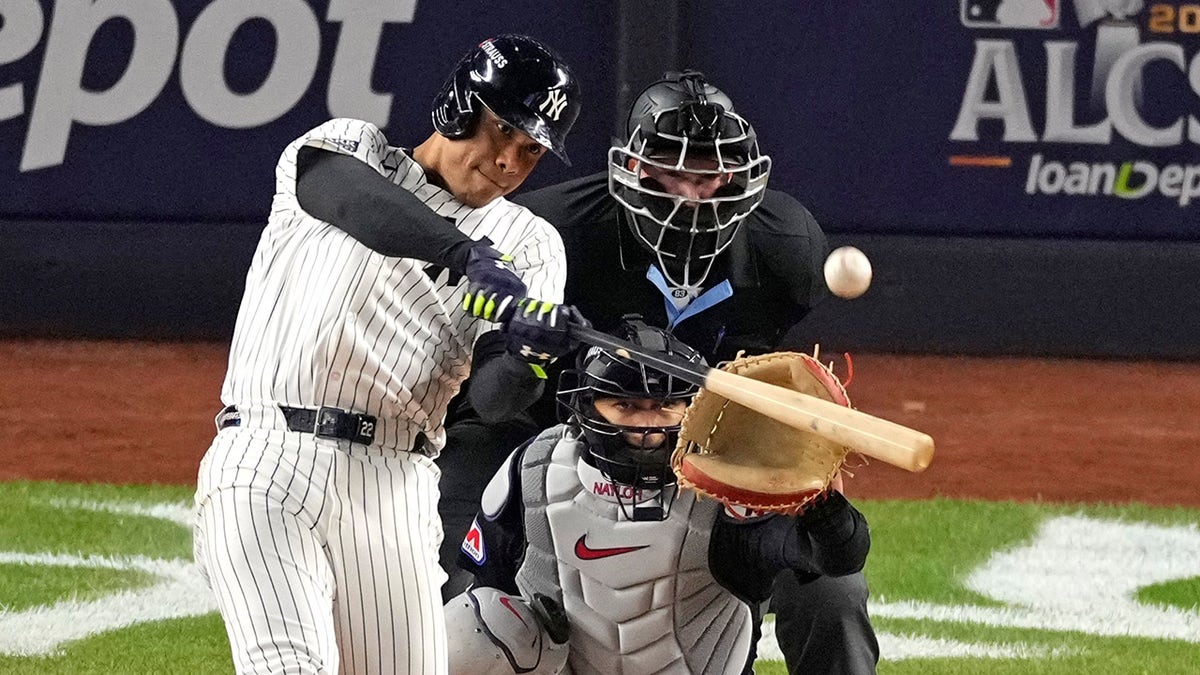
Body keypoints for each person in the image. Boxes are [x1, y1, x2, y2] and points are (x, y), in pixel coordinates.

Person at [436, 71, 879, 673]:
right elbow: (489, 397)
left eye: (709, 176)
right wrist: (528, 350)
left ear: (743, 178)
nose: (691, 197)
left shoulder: (785, 249)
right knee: (460, 599)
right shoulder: (550, 235)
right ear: (633, 169)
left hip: (695, 445)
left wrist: (790, 469)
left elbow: (753, 391)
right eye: (673, 172)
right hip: (534, 436)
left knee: (832, 591)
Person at [192, 34, 586, 674]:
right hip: (268, 460)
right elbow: (349, 199)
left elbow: (492, 399)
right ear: (461, 105)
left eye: (533, 149)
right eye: (504, 129)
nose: (513, 160)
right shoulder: (351, 150)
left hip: (396, 486)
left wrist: (528, 356)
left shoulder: (530, 243)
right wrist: (463, 253)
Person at [442, 318, 871, 675]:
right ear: (588, 408)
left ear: (694, 412)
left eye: (664, 407)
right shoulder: (535, 470)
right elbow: (485, 586)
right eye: (626, 405)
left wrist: (821, 509)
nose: (646, 427)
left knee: (836, 593)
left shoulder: (725, 493)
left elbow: (837, 559)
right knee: (472, 624)